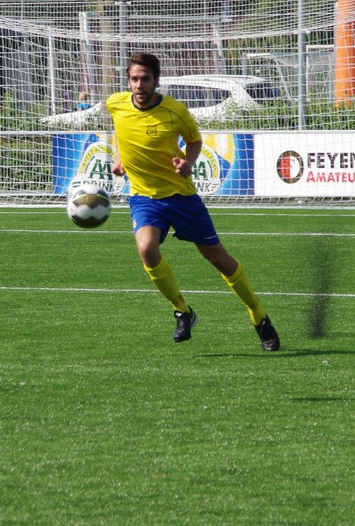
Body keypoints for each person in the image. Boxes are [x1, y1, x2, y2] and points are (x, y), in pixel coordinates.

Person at [107, 52, 280, 351]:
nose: (139, 85)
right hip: (143, 196)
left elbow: (195, 140)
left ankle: (259, 315)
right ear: (128, 81)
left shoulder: (175, 111)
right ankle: (182, 311)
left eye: (145, 79)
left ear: (156, 81)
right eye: (134, 79)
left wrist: (187, 162)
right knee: (146, 249)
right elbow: (122, 133)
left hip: (181, 197)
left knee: (219, 259)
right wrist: (120, 159)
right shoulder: (116, 104)